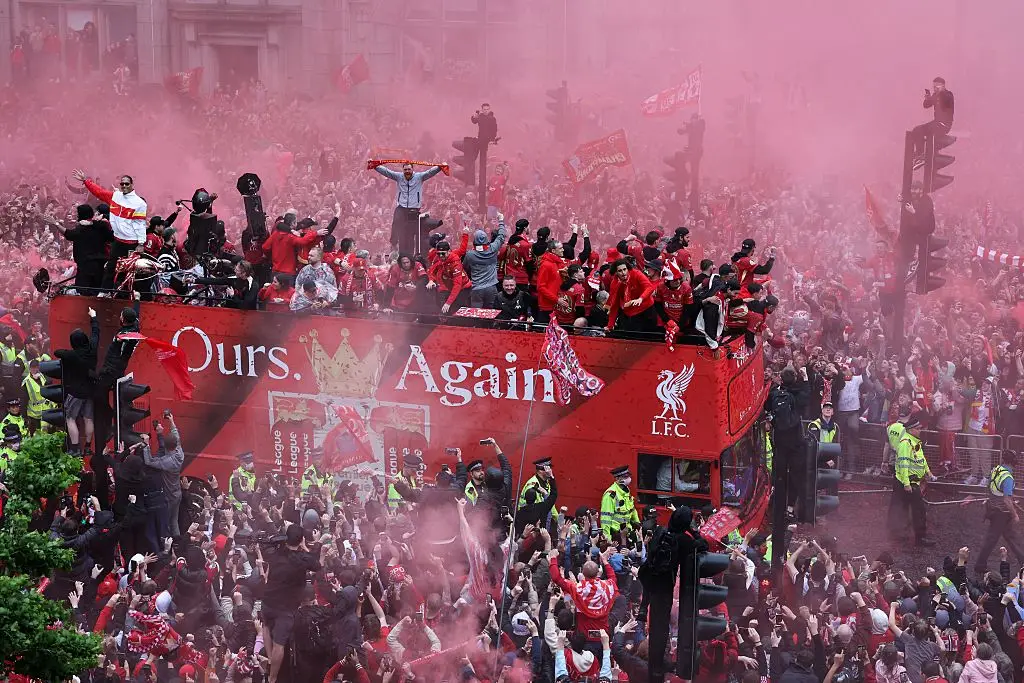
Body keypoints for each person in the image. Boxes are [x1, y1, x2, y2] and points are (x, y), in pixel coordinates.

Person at [262, 524, 321, 683]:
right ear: (301, 539)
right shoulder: (302, 559)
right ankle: (272, 678)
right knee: (279, 644)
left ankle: (269, 659)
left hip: (268, 601)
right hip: (285, 607)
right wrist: (305, 546)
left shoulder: (274, 553)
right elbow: (317, 565)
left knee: (265, 626)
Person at [73, 170, 148, 291]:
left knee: (130, 271)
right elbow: (99, 192)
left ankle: (128, 294)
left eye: (127, 184)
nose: (124, 186)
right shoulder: (115, 197)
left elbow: (140, 223)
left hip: (132, 243)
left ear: (132, 185)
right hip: (117, 241)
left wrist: (140, 243)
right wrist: (85, 181)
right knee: (110, 269)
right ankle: (105, 293)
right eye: (122, 184)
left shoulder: (139, 203)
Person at [370, 160, 446, 256]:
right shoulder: (399, 177)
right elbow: (387, 172)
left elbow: (430, 172)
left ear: (412, 169)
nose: (407, 171)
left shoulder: (419, 177)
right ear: (403, 170)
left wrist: (439, 167)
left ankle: (413, 253)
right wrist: (375, 166)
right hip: (402, 207)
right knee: (396, 221)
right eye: (405, 169)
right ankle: (394, 243)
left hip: (414, 209)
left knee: (411, 232)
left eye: (409, 169)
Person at [53, 306, 100, 454]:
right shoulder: (92, 349)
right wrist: (93, 317)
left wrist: (69, 353)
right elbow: (95, 333)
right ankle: (87, 446)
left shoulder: (72, 355)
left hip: (76, 392)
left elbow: (57, 352)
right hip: (90, 390)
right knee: (88, 418)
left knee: (70, 418)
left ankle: (74, 448)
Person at [974, 450, 1024, 573]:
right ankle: (979, 566)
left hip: (993, 508)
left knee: (1010, 536)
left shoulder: (996, 469)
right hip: (1001, 513)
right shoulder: (1008, 478)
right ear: (1014, 462)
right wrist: (1015, 514)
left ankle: (1023, 560)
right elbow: (1007, 500)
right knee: (992, 539)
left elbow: (992, 488)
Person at [889, 412, 934, 546]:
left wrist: (928, 472)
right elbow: (903, 464)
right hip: (907, 482)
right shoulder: (905, 443)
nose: (920, 430)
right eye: (918, 428)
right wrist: (907, 484)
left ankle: (905, 535)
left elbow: (921, 459)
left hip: (911, 482)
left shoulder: (915, 442)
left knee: (909, 509)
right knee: (913, 509)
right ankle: (912, 537)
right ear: (911, 430)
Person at [145, 411, 185, 539]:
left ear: (167, 447)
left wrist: (146, 444)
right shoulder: (179, 453)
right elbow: (175, 435)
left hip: (169, 496)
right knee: (174, 521)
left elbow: (149, 461)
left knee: (167, 523)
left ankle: (168, 545)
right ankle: (177, 542)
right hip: (177, 493)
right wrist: (170, 421)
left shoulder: (167, 462)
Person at [62, 204, 113, 294]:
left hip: (87, 265)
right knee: (96, 290)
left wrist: (56, 224)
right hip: (100, 263)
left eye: (78, 213)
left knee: (83, 291)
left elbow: (69, 234)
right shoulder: (100, 226)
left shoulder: (83, 229)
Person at [462, 214, 507, 309]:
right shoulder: (493, 248)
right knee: (491, 313)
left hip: (476, 288)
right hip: (491, 287)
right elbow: (501, 236)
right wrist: (501, 221)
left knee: (476, 314)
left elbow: (465, 268)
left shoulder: (470, 254)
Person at [606, 258, 657, 334]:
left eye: (624, 269)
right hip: (631, 313)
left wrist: (641, 298)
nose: (623, 273)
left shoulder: (636, 274)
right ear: (616, 272)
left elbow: (649, 287)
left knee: (649, 335)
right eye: (620, 271)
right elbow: (614, 305)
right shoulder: (615, 283)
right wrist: (610, 325)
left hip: (647, 309)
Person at [913, 76, 955, 160]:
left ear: (943, 86)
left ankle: (929, 155)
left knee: (931, 132)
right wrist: (927, 98)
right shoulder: (936, 95)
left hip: (944, 125)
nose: (935, 89)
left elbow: (944, 100)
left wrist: (935, 96)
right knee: (917, 130)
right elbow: (926, 105)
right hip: (936, 123)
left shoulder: (948, 95)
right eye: (934, 87)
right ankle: (920, 154)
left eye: (937, 87)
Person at [600, 466, 639, 537]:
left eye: (628, 476)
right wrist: (607, 538)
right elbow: (606, 518)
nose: (628, 479)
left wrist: (637, 523)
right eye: (625, 477)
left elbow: (632, 510)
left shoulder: (626, 491)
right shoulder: (610, 495)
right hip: (616, 534)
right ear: (617, 479)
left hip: (627, 532)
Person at [22, 358, 55, 436]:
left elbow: (51, 392)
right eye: (33, 368)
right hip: (34, 415)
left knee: (48, 433)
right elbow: (24, 400)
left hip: (47, 411)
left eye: (36, 367)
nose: (35, 369)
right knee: (36, 435)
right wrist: (25, 416)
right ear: (30, 369)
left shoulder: (45, 377)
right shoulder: (26, 382)